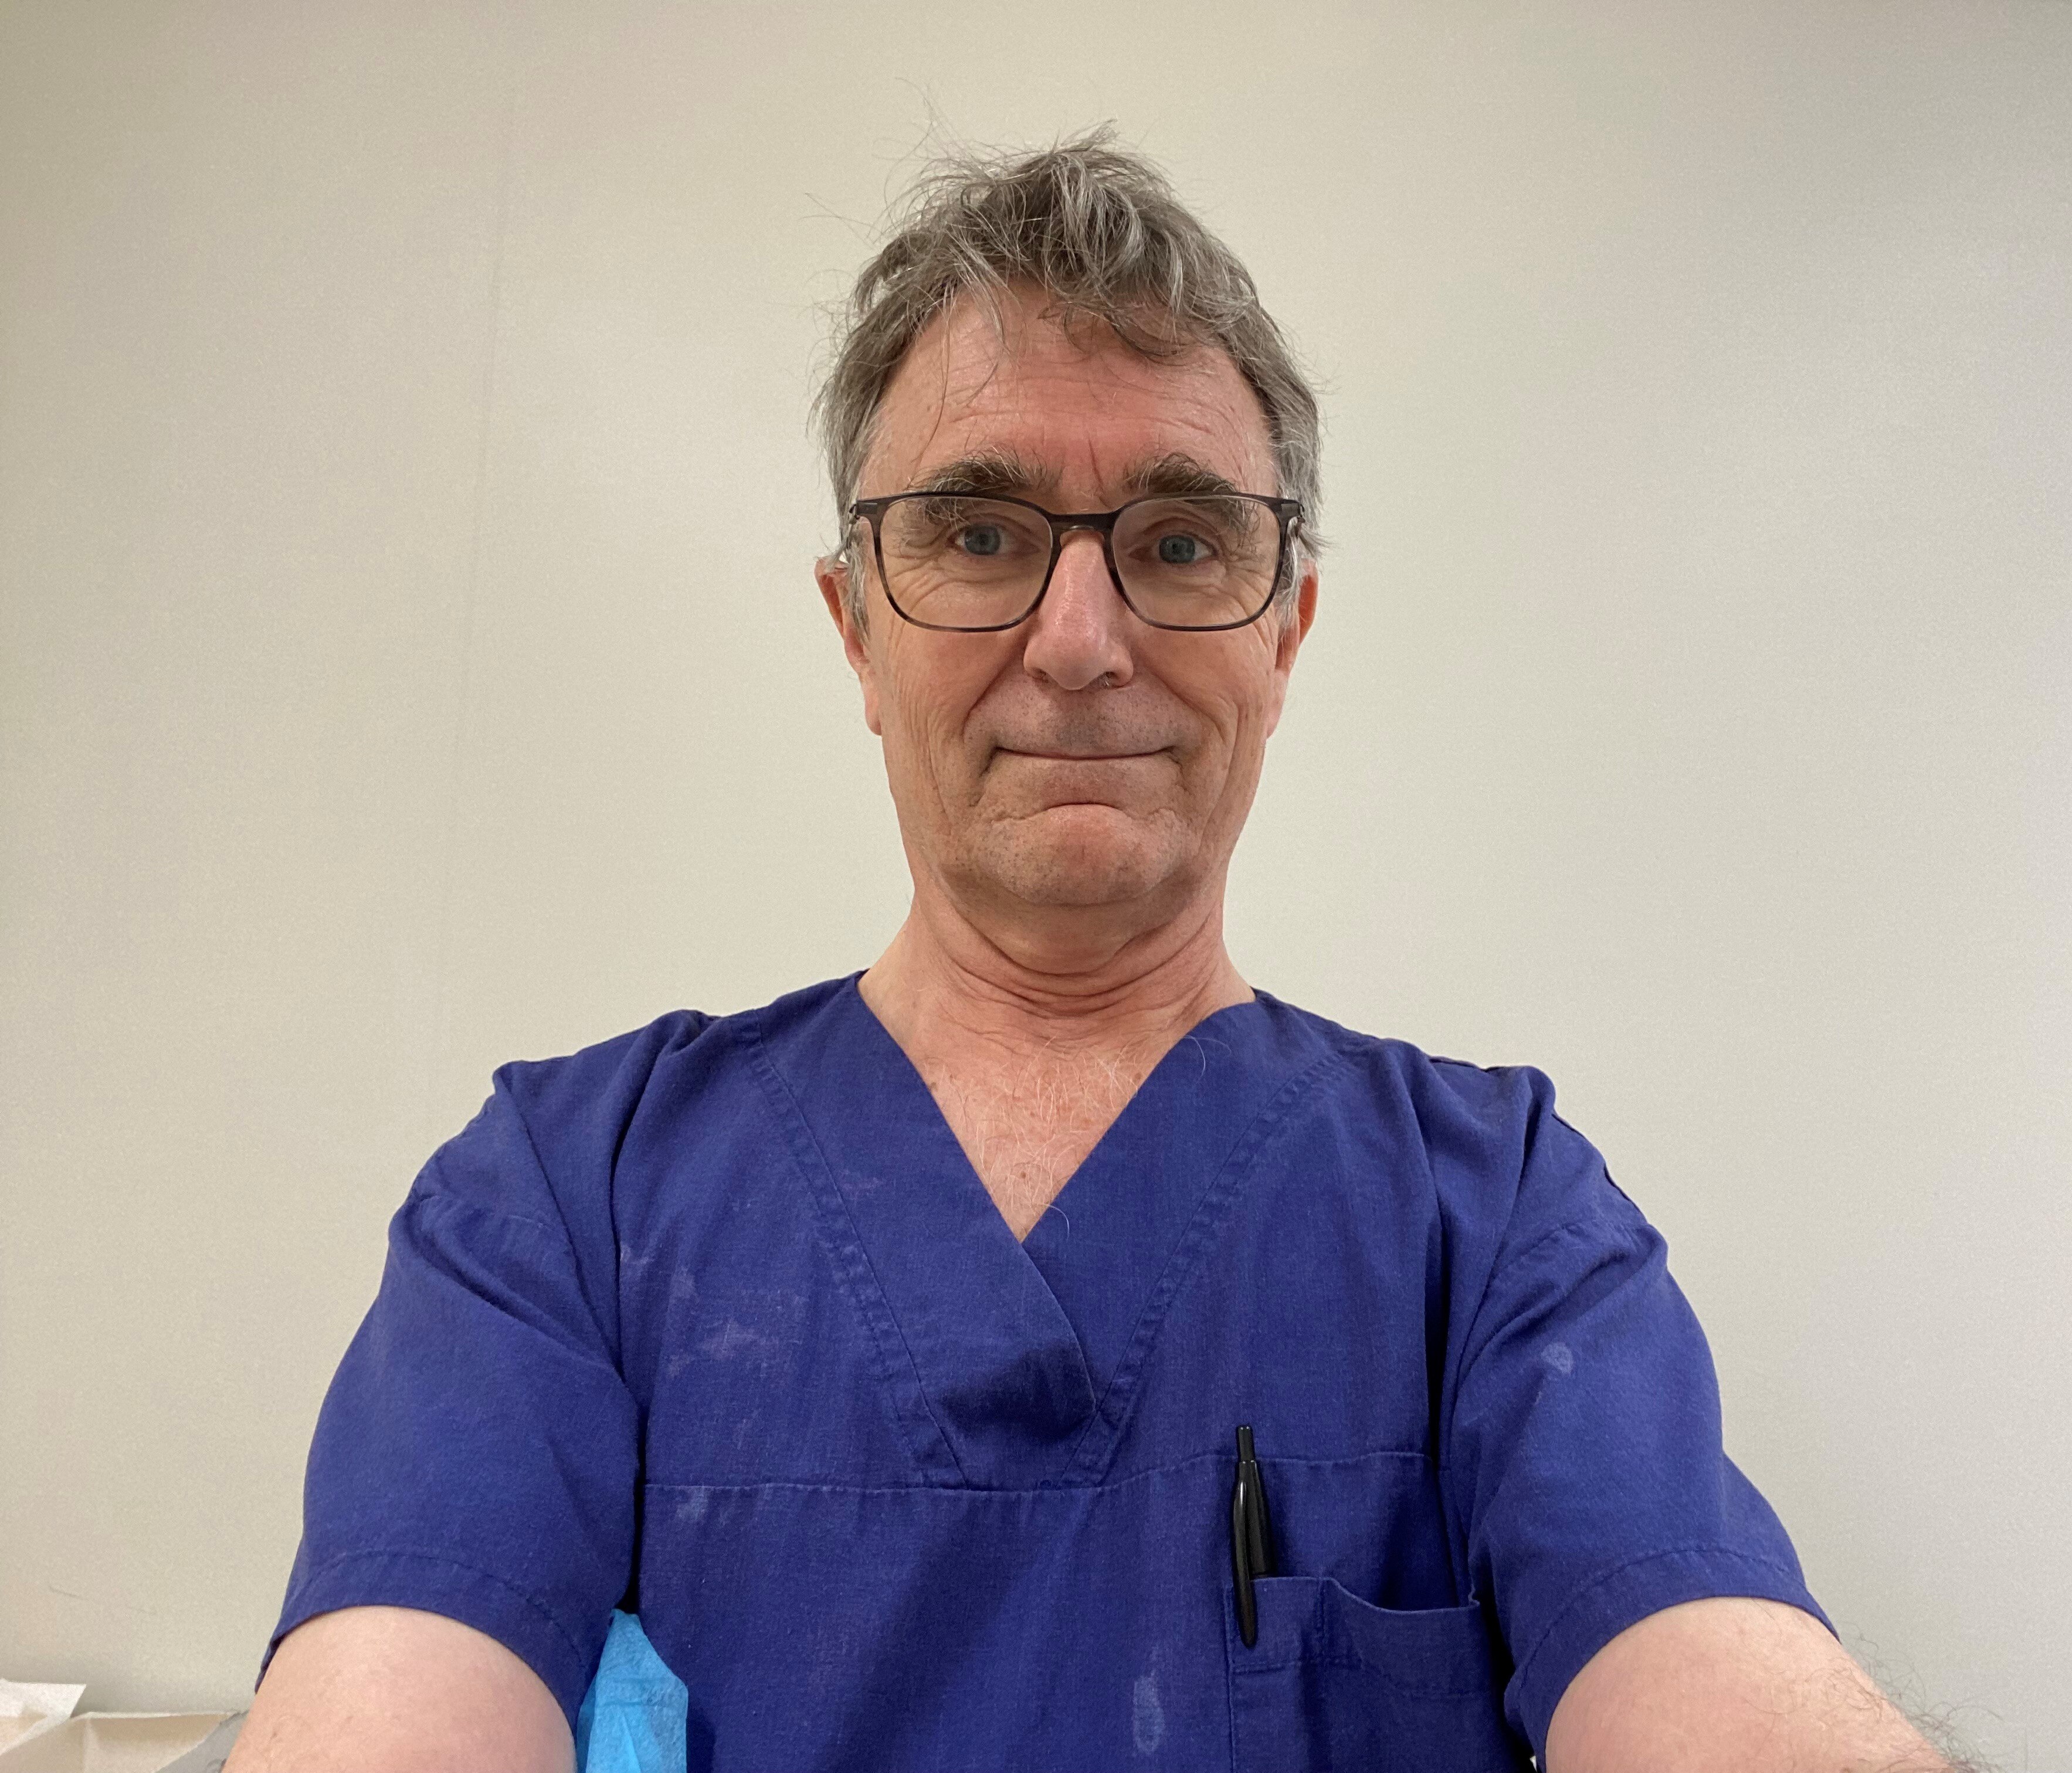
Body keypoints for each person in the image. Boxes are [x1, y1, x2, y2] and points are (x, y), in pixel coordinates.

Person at [231, 133, 1962, 1773]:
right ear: (857, 628)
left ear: (1285, 631)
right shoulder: (564, 1207)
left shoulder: (1495, 1222)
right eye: (980, 534)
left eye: (1182, 543)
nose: (1080, 641)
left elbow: (1709, 1674)